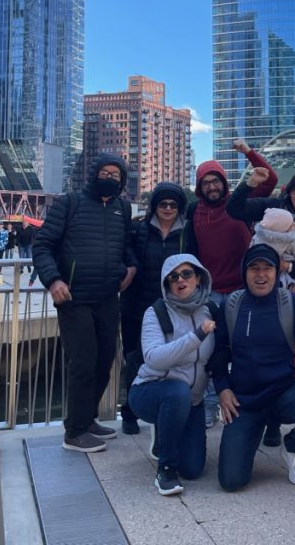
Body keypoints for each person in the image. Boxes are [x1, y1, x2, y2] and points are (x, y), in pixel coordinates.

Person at [32, 154, 137, 453]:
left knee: (105, 360)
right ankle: (74, 432)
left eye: (116, 176)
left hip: (107, 297)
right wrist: (54, 280)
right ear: (93, 175)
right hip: (74, 298)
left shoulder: (122, 208)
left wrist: (131, 267)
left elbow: (125, 246)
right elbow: (43, 246)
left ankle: (87, 418)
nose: (110, 178)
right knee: (83, 363)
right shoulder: (69, 203)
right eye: (105, 173)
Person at [210, 244, 295, 491]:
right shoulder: (232, 305)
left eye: (268, 268)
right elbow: (219, 351)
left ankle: (293, 449)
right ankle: (250, 435)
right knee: (231, 481)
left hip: (283, 392)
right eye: (254, 268)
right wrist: (222, 388)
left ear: (277, 272)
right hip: (245, 400)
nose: (261, 275)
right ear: (244, 273)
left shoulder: (291, 303)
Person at [227, 167, 295, 446]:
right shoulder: (272, 208)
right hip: (265, 295)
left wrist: (286, 266)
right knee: (270, 351)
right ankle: (271, 421)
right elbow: (235, 208)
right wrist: (249, 183)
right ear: (289, 191)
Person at [184, 138, 277, 426]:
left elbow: (270, 178)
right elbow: (191, 252)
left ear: (225, 183)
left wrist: (248, 152)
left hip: (242, 290)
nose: (212, 187)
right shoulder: (193, 211)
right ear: (200, 187)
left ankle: (247, 403)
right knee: (211, 350)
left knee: (245, 347)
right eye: (206, 183)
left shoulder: (243, 202)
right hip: (210, 293)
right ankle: (212, 404)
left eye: (216, 181)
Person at [128, 254, 216, 496]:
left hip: (193, 400)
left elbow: (220, 356)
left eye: (187, 274)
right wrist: (195, 337)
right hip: (152, 389)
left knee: (193, 468)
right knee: (176, 391)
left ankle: (166, 433)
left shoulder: (211, 310)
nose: (180, 280)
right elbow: (154, 357)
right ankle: (165, 469)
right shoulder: (156, 313)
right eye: (173, 277)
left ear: (198, 277)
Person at [120, 181, 188, 435]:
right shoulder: (139, 230)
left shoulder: (187, 233)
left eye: (173, 204)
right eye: (162, 204)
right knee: (134, 358)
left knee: (173, 358)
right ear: (155, 206)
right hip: (137, 304)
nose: (168, 208)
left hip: (174, 308)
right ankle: (130, 411)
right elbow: (125, 256)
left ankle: (167, 409)